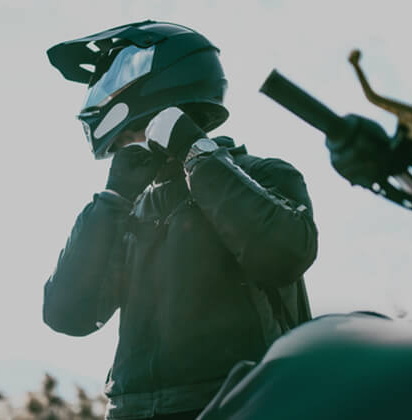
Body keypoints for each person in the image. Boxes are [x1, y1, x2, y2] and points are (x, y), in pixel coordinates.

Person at [43, 21, 318, 419]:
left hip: (238, 404)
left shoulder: (266, 175)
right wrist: (111, 199)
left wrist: (197, 152)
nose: (121, 146)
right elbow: (67, 314)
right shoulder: (130, 209)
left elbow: (282, 255)